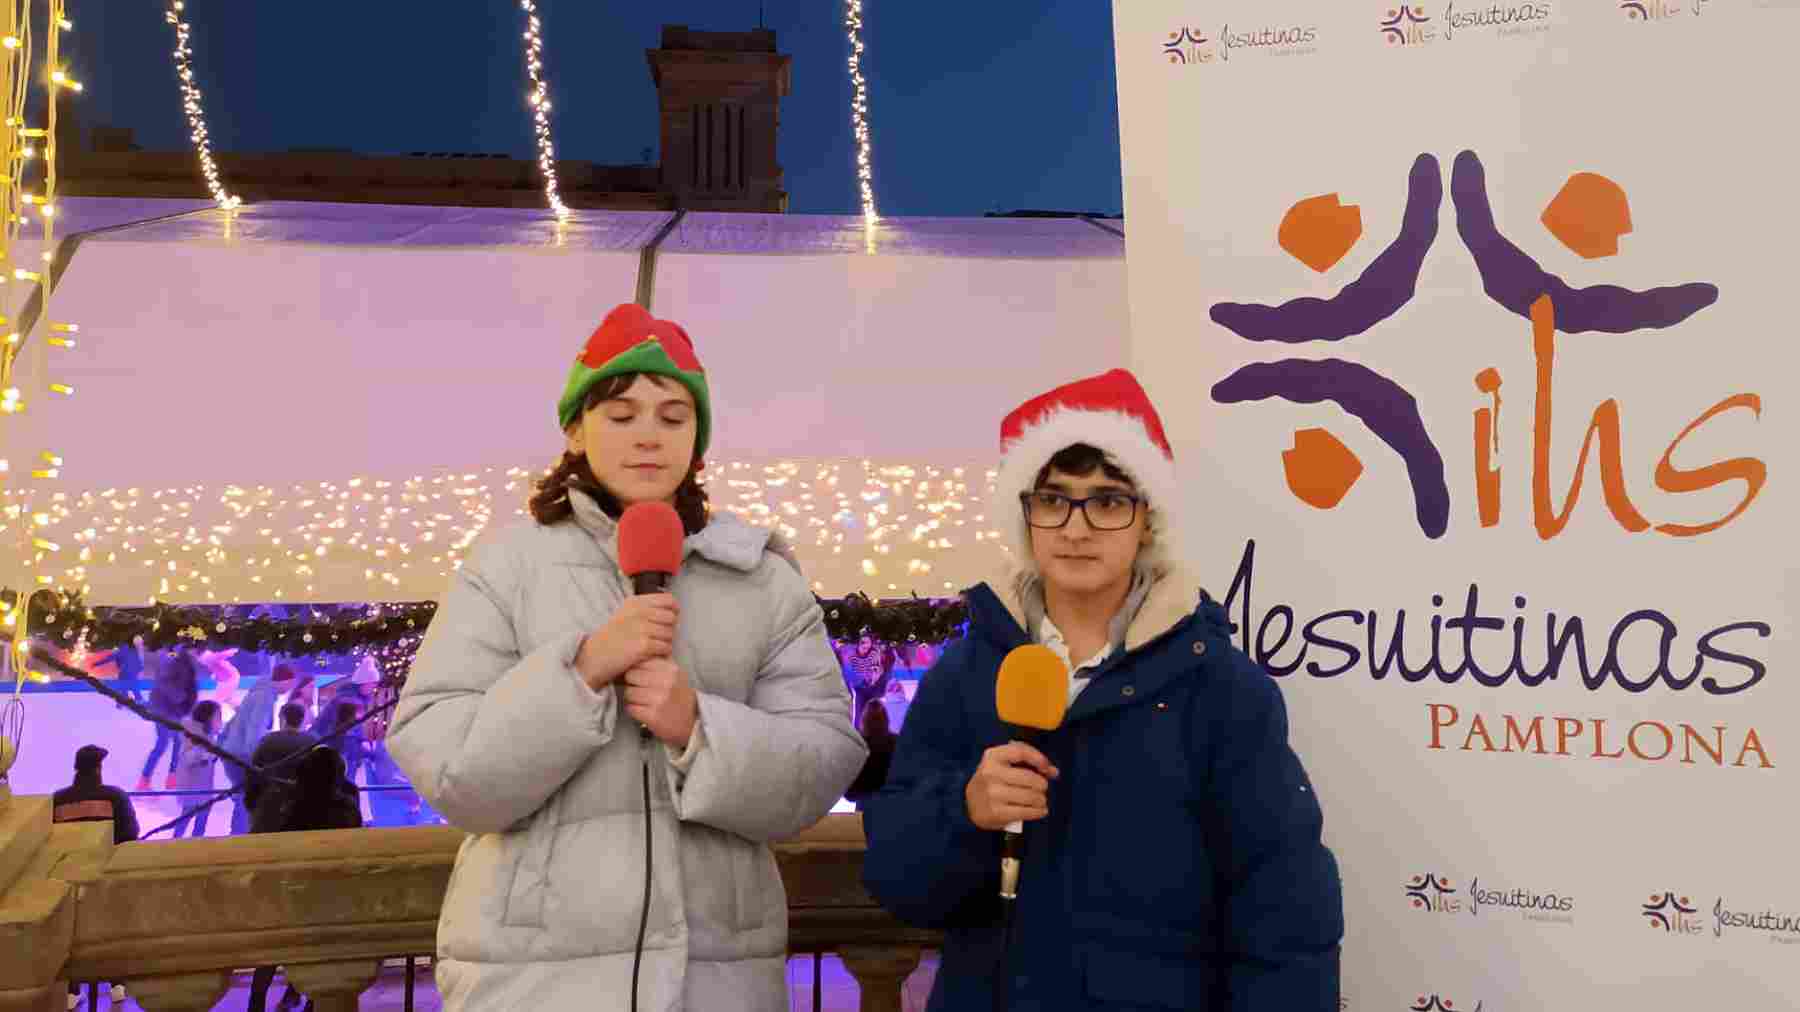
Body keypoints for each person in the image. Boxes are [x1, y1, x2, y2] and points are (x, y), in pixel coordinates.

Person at [387, 302, 866, 1011]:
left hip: (718, 981)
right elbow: (454, 774)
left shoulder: (762, 576)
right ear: (576, 430)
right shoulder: (505, 566)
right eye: (621, 415)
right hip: (532, 982)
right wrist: (582, 671)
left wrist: (698, 726)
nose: (649, 436)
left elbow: (821, 760)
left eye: (673, 417)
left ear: (698, 438)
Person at [862, 369, 1344, 1011]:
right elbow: (900, 883)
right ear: (1025, 516)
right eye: (1053, 499)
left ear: (1148, 520)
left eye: (1109, 500)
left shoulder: (1222, 691)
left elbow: (1287, 915)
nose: (1076, 527)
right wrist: (965, 813)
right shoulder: (966, 676)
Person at [247, 745, 364, 1012]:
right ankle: (308, 1002)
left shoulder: (283, 801)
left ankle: (256, 1005)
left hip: (284, 891)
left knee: (270, 953)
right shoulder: (345, 805)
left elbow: (262, 837)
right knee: (318, 956)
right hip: (326, 897)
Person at [53, 745, 136, 1010]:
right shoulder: (115, 797)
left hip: (70, 881)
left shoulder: (58, 800)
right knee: (112, 929)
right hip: (107, 877)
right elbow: (130, 834)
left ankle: (72, 989)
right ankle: (116, 985)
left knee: (74, 933)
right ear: (99, 769)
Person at [219, 664, 299, 835]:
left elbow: (235, 721)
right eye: (290, 683)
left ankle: (239, 834)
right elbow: (254, 729)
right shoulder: (265, 697)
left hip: (232, 753)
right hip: (241, 756)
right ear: (284, 681)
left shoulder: (257, 693)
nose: (290, 688)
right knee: (246, 798)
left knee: (244, 797)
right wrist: (256, 759)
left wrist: (222, 745)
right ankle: (240, 836)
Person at [245, 702, 318, 828]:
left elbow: (253, 773)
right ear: (302, 720)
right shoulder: (312, 742)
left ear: (283, 718)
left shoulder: (268, 741)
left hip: (270, 805)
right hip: (303, 805)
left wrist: (251, 803)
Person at [138, 649, 198, 791]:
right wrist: (180, 698)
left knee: (177, 743)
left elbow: (190, 689)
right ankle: (144, 780)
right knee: (162, 744)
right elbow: (163, 683)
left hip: (174, 711)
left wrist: (189, 706)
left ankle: (171, 778)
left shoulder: (185, 663)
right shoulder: (174, 661)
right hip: (165, 711)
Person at [170, 700, 224, 839]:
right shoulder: (193, 734)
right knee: (186, 818)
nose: (220, 720)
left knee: (200, 821)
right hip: (192, 788)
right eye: (217, 716)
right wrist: (206, 756)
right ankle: (174, 844)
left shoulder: (209, 734)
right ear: (207, 717)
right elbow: (188, 757)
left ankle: (196, 844)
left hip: (203, 787)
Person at [843, 700, 895, 811]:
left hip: (865, 810)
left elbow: (849, 793)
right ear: (886, 719)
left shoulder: (856, 746)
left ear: (863, 720)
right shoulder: (897, 743)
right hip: (893, 807)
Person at [839, 633, 897, 729]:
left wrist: (873, 679)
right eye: (862, 642)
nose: (864, 645)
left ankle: (873, 731)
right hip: (861, 686)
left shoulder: (875, 654)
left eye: (867, 642)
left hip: (874, 685)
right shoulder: (852, 655)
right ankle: (858, 732)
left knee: (873, 710)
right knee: (859, 712)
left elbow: (878, 669)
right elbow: (850, 671)